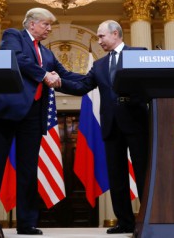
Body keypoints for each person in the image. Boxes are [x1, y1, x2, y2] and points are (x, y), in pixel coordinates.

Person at [0, 7, 82, 235]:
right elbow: (16, 59)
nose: (50, 29)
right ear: (32, 24)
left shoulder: (47, 54)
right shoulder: (14, 36)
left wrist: (96, 79)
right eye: (46, 24)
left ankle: (26, 223)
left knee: (28, 170)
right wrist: (43, 75)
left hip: (33, 115)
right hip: (6, 112)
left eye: (50, 25)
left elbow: (65, 75)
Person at [59, 20, 149, 234]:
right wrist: (58, 82)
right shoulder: (99, 65)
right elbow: (82, 86)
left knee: (144, 172)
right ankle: (125, 222)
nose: (98, 41)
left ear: (115, 33)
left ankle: (150, 217)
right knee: (116, 177)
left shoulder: (138, 54)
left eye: (101, 36)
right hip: (111, 126)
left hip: (136, 123)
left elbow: (147, 83)